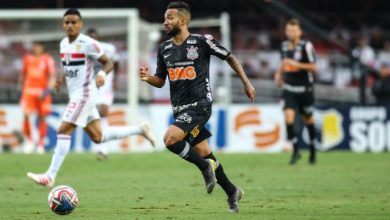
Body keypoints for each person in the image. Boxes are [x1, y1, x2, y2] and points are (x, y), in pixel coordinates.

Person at [140, 2, 256, 213]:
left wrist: (246, 82)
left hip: (200, 105)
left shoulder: (201, 42)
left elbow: (229, 56)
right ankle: (232, 191)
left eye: (170, 18)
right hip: (180, 108)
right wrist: (148, 78)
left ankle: (204, 169)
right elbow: (160, 80)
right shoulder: (164, 48)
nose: (165, 22)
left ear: (183, 20)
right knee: (204, 152)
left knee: (170, 139)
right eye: (165, 18)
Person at [27, 8, 156, 187]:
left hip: (85, 94)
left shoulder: (88, 43)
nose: (70, 25)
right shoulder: (64, 43)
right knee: (98, 137)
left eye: (74, 22)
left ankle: (50, 176)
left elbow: (109, 62)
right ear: (63, 25)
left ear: (80, 24)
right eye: (67, 22)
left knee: (63, 130)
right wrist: (60, 80)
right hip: (75, 94)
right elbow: (68, 66)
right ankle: (140, 129)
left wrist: (102, 74)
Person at [274, 18, 318, 165]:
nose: (290, 33)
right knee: (288, 118)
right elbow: (283, 62)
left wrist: (296, 64)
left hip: (305, 89)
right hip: (289, 89)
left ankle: (312, 149)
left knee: (308, 119)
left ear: (300, 32)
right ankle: (296, 150)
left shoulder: (306, 46)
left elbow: (313, 67)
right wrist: (279, 74)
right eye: (288, 30)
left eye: (293, 30)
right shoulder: (284, 46)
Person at [87, 28, 120, 160]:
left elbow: (116, 63)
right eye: (90, 38)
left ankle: (103, 149)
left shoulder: (109, 49)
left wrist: (115, 80)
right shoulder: (83, 50)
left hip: (106, 83)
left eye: (94, 37)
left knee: (104, 112)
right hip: (90, 85)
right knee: (95, 116)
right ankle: (99, 146)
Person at [19, 41, 56, 154]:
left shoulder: (47, 59)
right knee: (26, 115)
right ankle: (29, 141)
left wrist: (47, 90)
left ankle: (40, 143)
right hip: (28, 91)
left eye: (39, 46)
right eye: (35, 45)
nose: (36, 48)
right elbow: (23, 75)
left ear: (42, 47)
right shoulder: (27, 59)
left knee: (42, 117)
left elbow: (52, 76)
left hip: (42, 92)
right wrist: (20, 89)